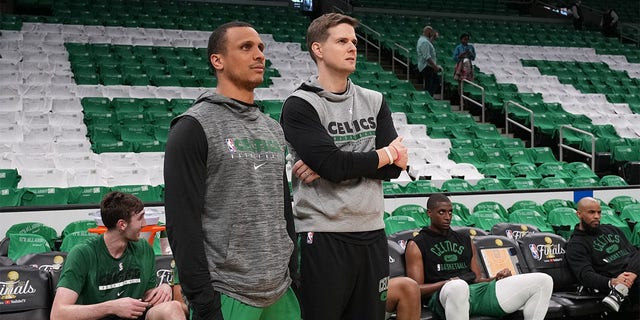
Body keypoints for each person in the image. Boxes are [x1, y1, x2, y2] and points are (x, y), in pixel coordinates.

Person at [163, 21, 300, 320]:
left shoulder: (273, 128)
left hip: (281, 291)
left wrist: (294, 274)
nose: (259, 55)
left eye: (261, 48)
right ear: (217, 60)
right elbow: (181, 224)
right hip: (228, 294)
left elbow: (283, 208)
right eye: (246, 47)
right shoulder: (192, 127)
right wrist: (204, 302)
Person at [280, 12, 408, 320]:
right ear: (318, 49)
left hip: (373, 233)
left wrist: (331, 164)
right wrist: (387, 154)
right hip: (323, 236)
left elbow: (393, 171)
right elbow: (337, 165)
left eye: (354, 41)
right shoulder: (300, 105)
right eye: (342, 41)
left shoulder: (374, 100)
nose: (352, 47)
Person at [404, 193, 554, 320]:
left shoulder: (464, 239)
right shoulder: (417, 244)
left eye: (450, 212)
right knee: (458, 286)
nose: (447, 217)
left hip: (476, 292)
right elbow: (416, 288)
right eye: (441, 212)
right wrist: (447, 282)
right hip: (443, 297)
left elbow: (476, 278)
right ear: (429, 213)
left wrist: (497, 278)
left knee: (543, 280)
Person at [50, 191, 185, 320]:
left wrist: (163, 289)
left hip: (138, 317)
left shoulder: (144, 248)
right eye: (140, 218)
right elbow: (58, 314)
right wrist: (112, 307)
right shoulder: (82, 254)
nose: (144, 224)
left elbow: (147, 297)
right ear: (122, 224)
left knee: (172, 308)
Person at [565, 197, 639, 314]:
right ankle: (620, 288)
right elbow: (586, 275)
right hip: (618, 279)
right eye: (591, 212)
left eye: (599, 212)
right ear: (579, 214)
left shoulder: (613, 229)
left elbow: (634, 253)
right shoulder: (575, 244)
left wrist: (632, 274)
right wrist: (612, 282)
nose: (597, 216)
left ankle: (620, 291)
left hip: (632, 276)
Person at [417, 26, 442, 96]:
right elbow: (427, 57)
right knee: (429, 85)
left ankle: (428, 97)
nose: (432, 33)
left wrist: (433, 37)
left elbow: (429, 43)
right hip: (427, 67)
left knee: (435, 81)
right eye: (431, 32)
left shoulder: (424, 40)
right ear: (427, 32)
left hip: (428, 66)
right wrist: (435, 67)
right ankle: (427, 98)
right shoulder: (424, 42)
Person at [452, 32, 476, 103]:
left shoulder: (471, 47)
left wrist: (470, 54)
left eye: (467, 39)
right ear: (461, 39)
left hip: (468, 65)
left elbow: (473, 57)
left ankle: (466, 98)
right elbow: (454, 58)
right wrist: (461, 56)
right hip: (461, 65)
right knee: (460, 82)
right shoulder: (458, 47)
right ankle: (461, 99)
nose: (466, 41)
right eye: (464, 39)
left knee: (468, 81)